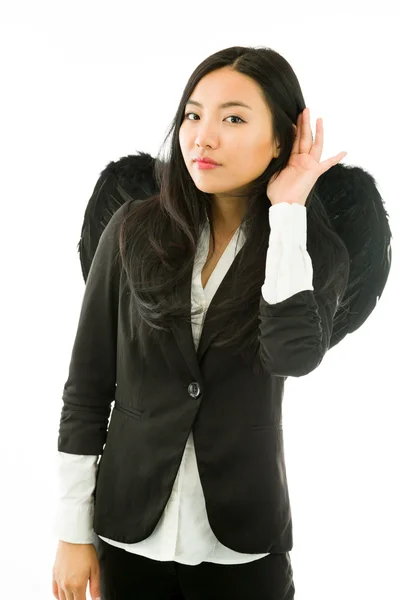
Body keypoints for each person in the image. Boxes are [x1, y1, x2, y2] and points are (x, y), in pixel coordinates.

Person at [51, 45, 373, 600]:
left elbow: (293, 355)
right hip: (130, 535)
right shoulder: (132, 229)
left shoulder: (309, 249)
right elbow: (85, 392)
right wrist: (71, 533)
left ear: (280, 139)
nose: (203, 136)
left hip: (243, 542)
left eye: (233, 118)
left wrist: (289, 209)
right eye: (193, 115)